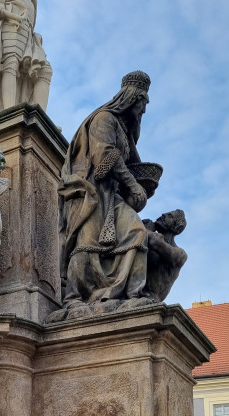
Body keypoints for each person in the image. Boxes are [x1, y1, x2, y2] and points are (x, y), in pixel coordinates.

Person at [59, 71, 152, 315]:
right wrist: (132, 185)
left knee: (137, 232)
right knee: (87, 242)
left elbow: (133, 163)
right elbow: (105, 157)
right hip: (89, 191)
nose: (144, 110)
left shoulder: (125, 130)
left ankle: (132, 293)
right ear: (132, 98)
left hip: (111, 193)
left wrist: (143, 184)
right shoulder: (104, 119)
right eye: (143, 102)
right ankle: (74, 296)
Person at [0, 0, 52, 119]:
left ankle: (41, 118)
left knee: (45, 70)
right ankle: (10, 113)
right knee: (11, 62)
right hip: (7, 22)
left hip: (27, 29)